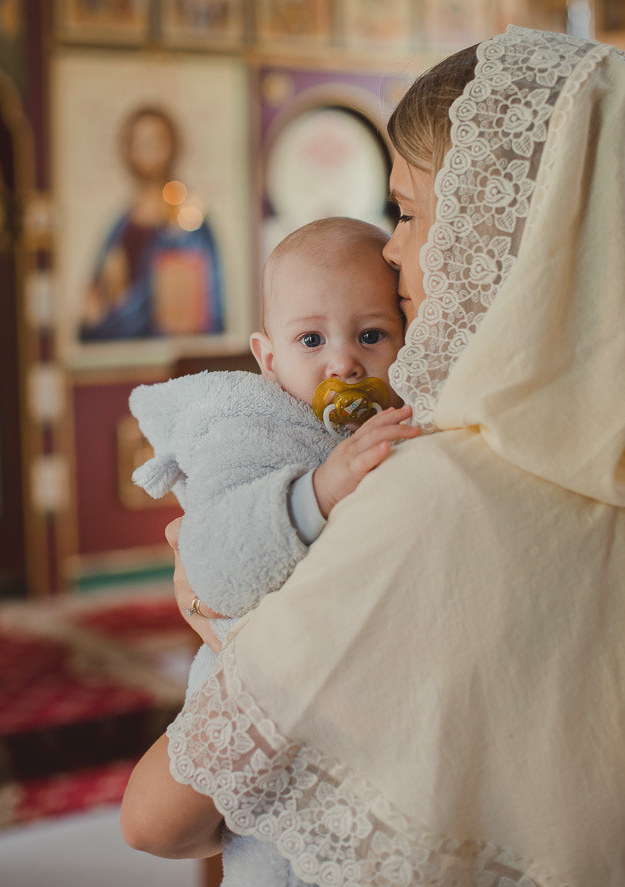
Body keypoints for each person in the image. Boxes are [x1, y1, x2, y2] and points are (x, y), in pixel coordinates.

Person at [121, 26, 625, 887]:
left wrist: (225, 629)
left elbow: (158, 821)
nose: (390, 251)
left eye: (409, 212)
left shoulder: (426, 494)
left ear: (494, 232)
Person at [128, 217, 418, 886]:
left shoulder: (404, 421)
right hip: (251, 720)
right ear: (267, 357)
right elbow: (216, 567)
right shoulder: (253, 434)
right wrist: (318, 491)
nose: (342, 362)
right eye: (310, 339)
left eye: (370, 335)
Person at [80, 105, 223, 341]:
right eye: (141, 143)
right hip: (123, 348)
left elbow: (207, 297)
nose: (150, 151)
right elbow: (99, 289)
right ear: (129, 150)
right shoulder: (122, 222)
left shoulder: (189, 218)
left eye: (158, 141)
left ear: (173, 146)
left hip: (176, 348)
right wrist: (95, 308)